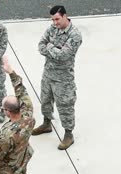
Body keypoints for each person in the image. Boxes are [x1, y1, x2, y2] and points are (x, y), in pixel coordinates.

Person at [33, 5, 82, 150]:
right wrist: (53, 48)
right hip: (48, 73)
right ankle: (46, 124)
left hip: (63, 78)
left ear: (65, 16)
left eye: (57, 19)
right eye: (53, 20)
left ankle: (68, 134)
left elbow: (63, 56)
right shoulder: (52, 29)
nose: (55, 23)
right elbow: (40, 45)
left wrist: (49, 47)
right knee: (45, 101)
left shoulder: (74, 35)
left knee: (65, 106)